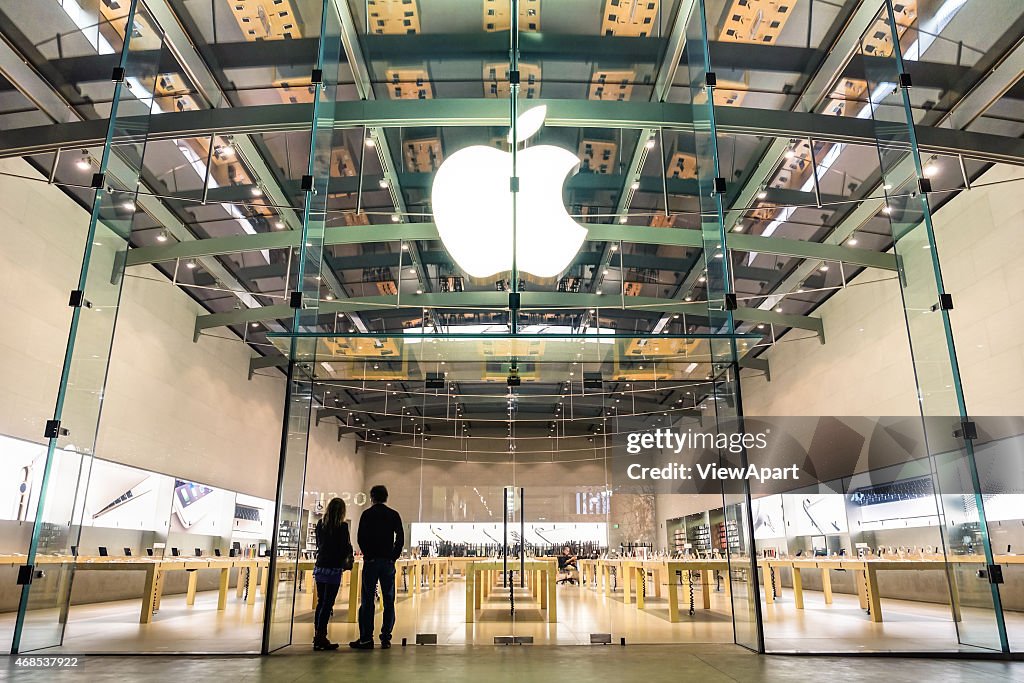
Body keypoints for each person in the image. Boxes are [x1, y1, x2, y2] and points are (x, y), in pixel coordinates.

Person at [350, 485, 404, 650]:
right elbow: (400, 538)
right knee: (388, 600)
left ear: (372, 497)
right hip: (387, 562)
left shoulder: (367, 514)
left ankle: (366, 638)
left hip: (371, 562)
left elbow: (360, 537)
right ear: (386, 497)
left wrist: (368, 554)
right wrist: (393, 556)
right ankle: (386, 637)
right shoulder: (393, 514)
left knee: (368, 599)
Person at [312, 497, 353, 651]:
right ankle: (321, 637)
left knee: (321, 602)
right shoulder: (342, 526)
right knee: (328, 603)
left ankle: (318, 635)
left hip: (321, 566)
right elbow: (344, 547)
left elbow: (319, 544)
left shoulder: (320, 524)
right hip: (334, 568)